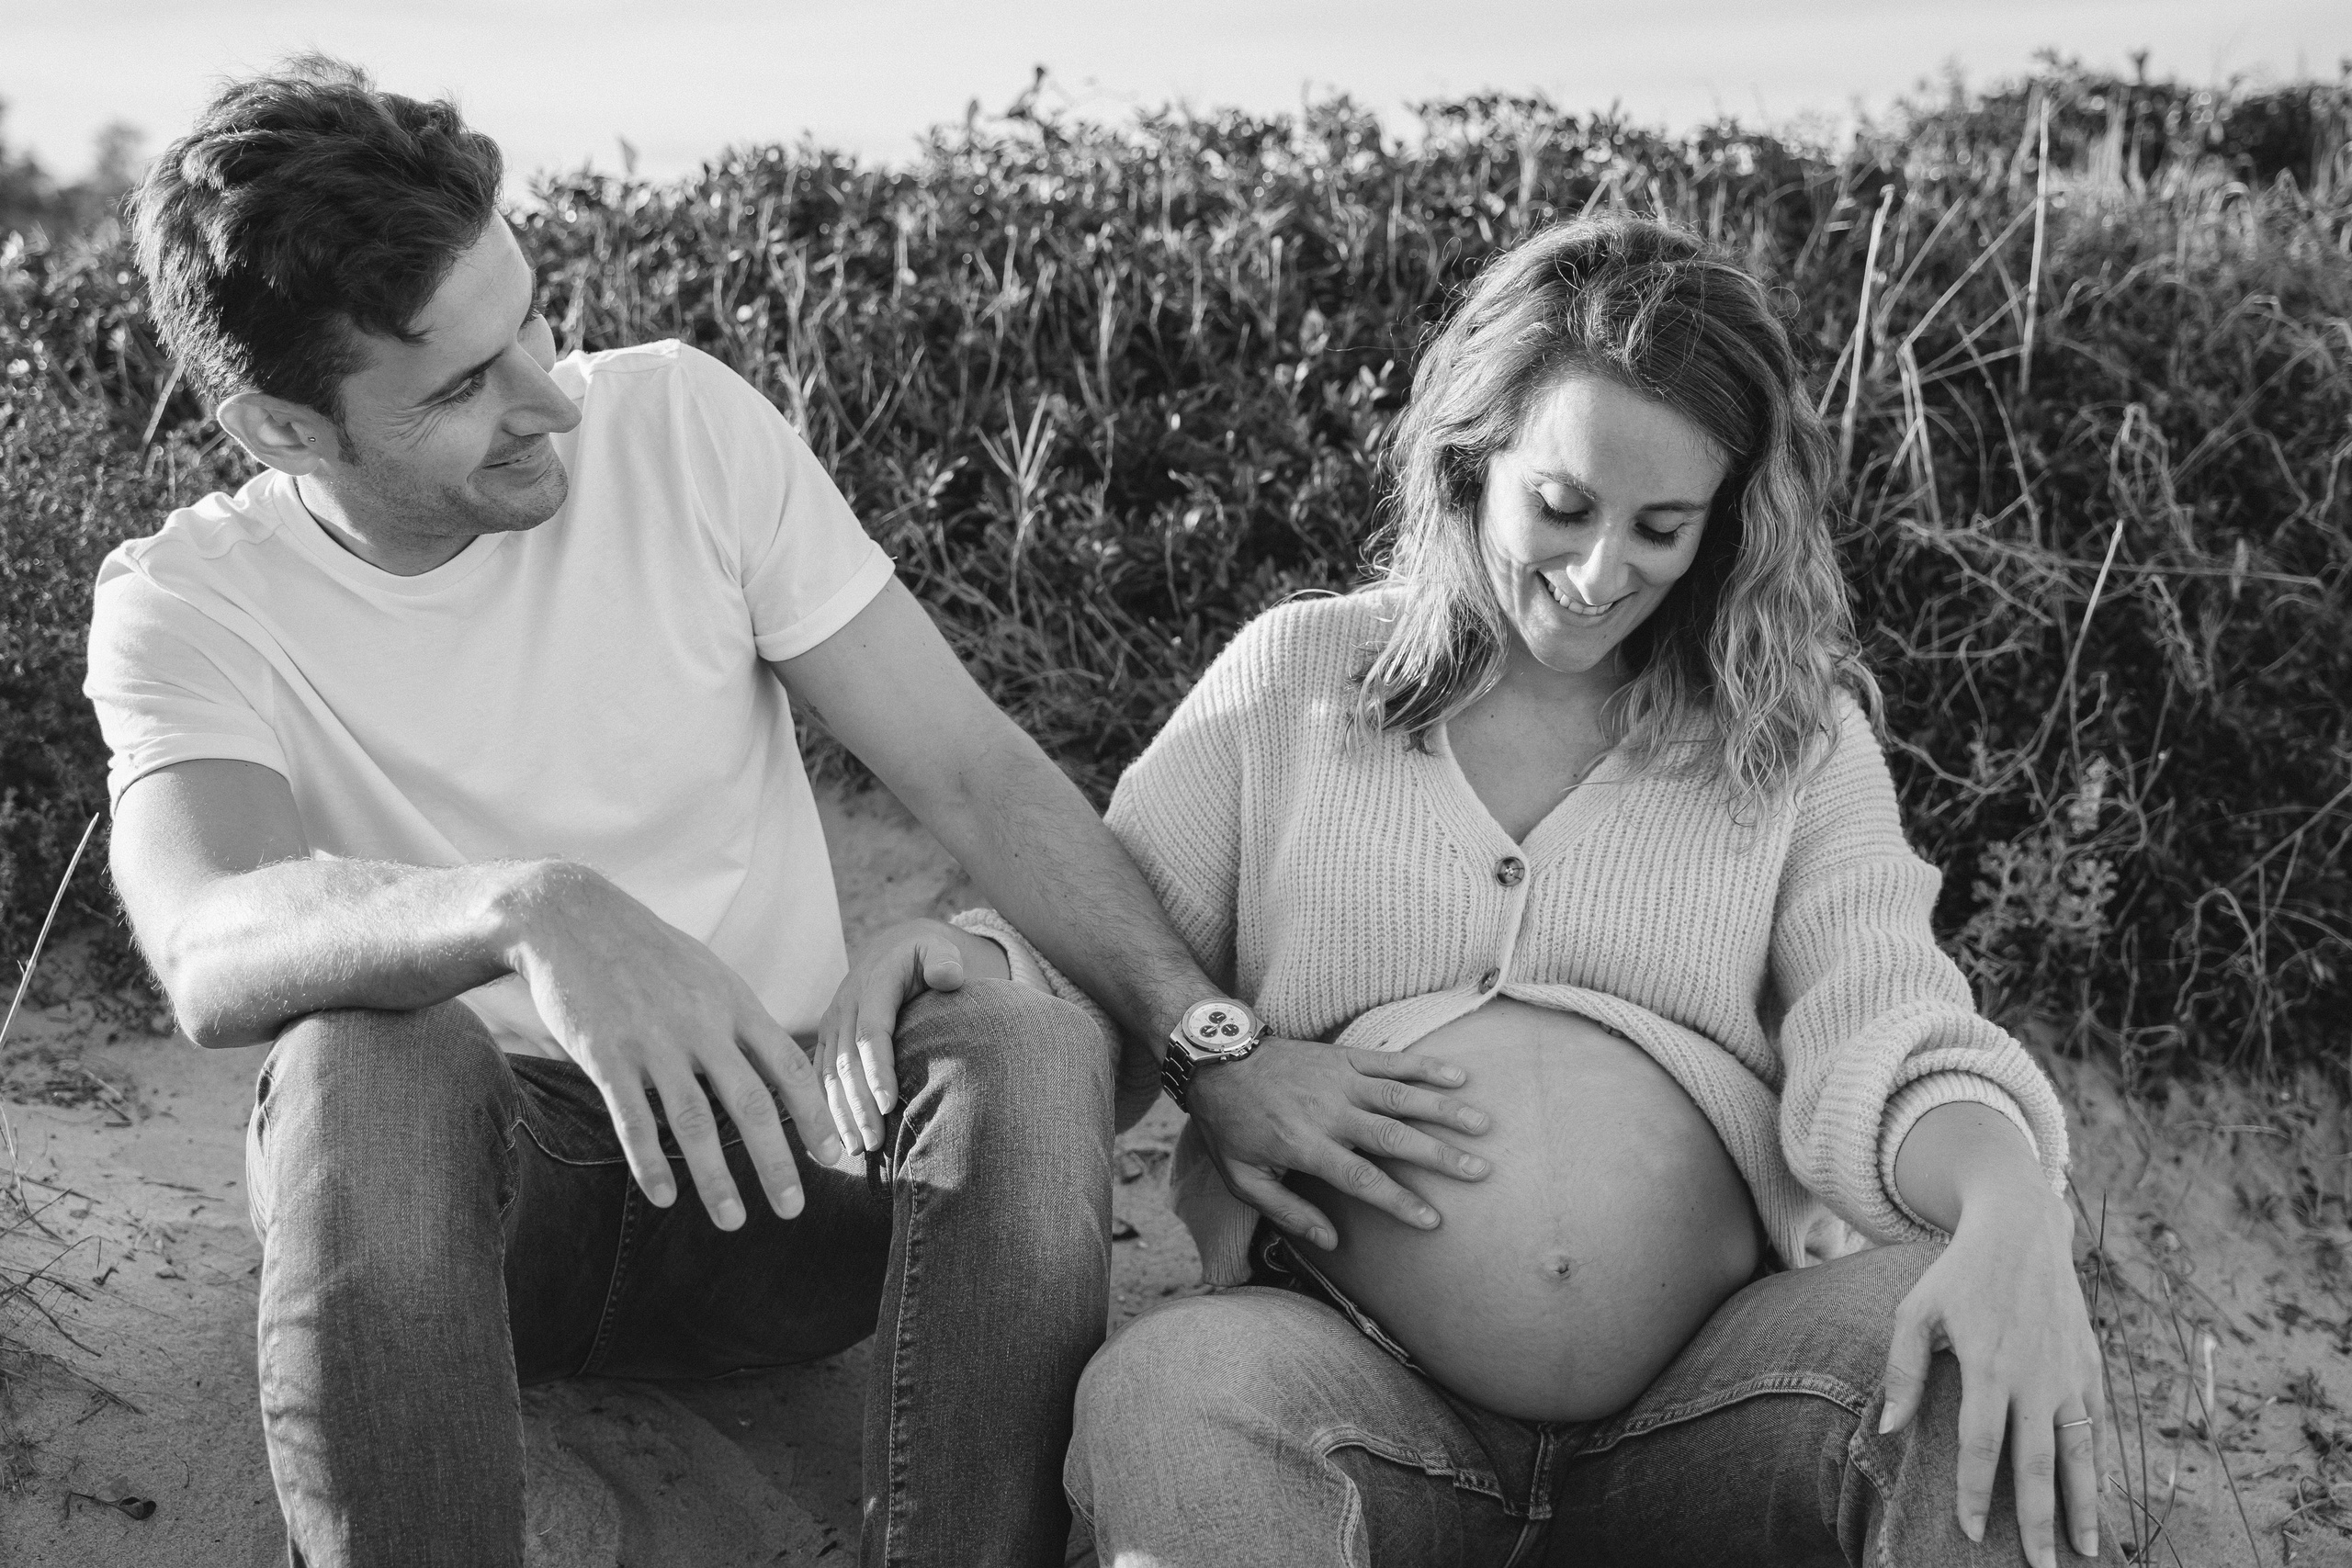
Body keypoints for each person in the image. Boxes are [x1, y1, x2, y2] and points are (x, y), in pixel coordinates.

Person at [87, 57, 1459, 1568]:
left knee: (1023, 1039)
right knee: (364, 1059)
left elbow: (969, 769)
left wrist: (1214, 1046)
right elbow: (207, 938)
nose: (549, 396)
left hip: (786, 1180)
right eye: (464, 385)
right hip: (473, 1226)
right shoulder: (189, 603)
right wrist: (528, 906)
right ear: (284, 430)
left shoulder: (678, 423)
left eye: (533, 317)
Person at [846, 216, 2106, 1565]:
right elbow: (1110, 955)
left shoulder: (1791, 739)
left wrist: (2009, 1198)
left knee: (1959, 1340)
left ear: (1726, 523)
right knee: (1169, 1395)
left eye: (1662, 527)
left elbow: (1884, 1019)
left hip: (1720, 1404)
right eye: (1561, 506)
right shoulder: (1298, 682)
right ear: (1469, 459)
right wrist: (966, 964)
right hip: (1347, 1387)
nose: (1599, 570)